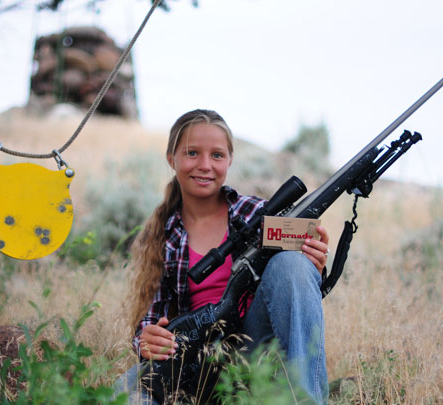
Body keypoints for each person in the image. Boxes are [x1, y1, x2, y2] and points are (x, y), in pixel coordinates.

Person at [117, 109, 330, 404]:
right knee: (123, 393)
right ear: (171, 159)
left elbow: (297, 290)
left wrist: (313, 263)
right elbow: (150, 319)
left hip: (258, 350)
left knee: (292, 262)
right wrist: (148, 339)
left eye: (217, 155)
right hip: (196, 360)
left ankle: (306, 398)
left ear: (229, 160)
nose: (205, 165)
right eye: (192, 153)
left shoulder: (259, 214)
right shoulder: (163, 233)